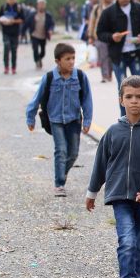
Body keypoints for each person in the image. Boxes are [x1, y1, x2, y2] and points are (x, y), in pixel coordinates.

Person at [85, 76, 140, 278]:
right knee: (127, 241)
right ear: (121, 100)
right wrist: (92, 191)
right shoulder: (112, 131)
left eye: (139, 97)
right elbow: (100, 163)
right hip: (120, 196)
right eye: (129, 97)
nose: (134, 102)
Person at [26, 43, 93, 196]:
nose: (71, 62)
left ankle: (62, 172)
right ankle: (59, 183)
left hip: (74, 120)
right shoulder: (50, 78)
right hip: (55, 120)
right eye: (67, 59)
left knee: (73, 153)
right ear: (57, 61)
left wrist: (87, 121)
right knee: (61, 150)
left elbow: (87, 100)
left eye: (73, 58)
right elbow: (36, 99)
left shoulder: (80, 77)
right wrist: (31, 118)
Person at [97, 0, 140, 116]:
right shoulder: (108, 12)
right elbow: (100, 33)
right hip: (118, 55)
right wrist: (112, 37)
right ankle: (125, 118)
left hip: (136, 53)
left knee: (139, 87)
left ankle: (139, 117)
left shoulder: (139, 9)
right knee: (123, 88)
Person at [88, 0, 115, 82]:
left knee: (111, 57)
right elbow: (92, 22)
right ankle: (105, 75)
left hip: (113, 36)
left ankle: (110, 73)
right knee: (103, 56)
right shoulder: (97, 8)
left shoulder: (116, 8)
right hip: (100, 36)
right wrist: (90, 36)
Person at [0, 0, 25, 75]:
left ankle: (13, 67)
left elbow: (22, 20)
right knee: (6, 48)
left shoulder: (19, 8)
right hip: (6, 31)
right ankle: (6, 67)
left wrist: (13, 21)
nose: (11, 0)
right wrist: (3, 20)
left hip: (15, 32)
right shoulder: (3, 7)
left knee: (14, 50)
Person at [24, 0, 55, 70]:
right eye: (40, 4)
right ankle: (37, 61)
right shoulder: (32, 15)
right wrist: (22, 33)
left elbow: (52, 24)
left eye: (43, 5)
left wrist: (50, 30)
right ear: (37, 5)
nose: (41, 6)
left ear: (45, 6)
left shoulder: (48, 15)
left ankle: (39, 58)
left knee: (43, 52)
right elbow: (26, 24)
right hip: (34, 35)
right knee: (35, 49)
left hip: (43, 35)